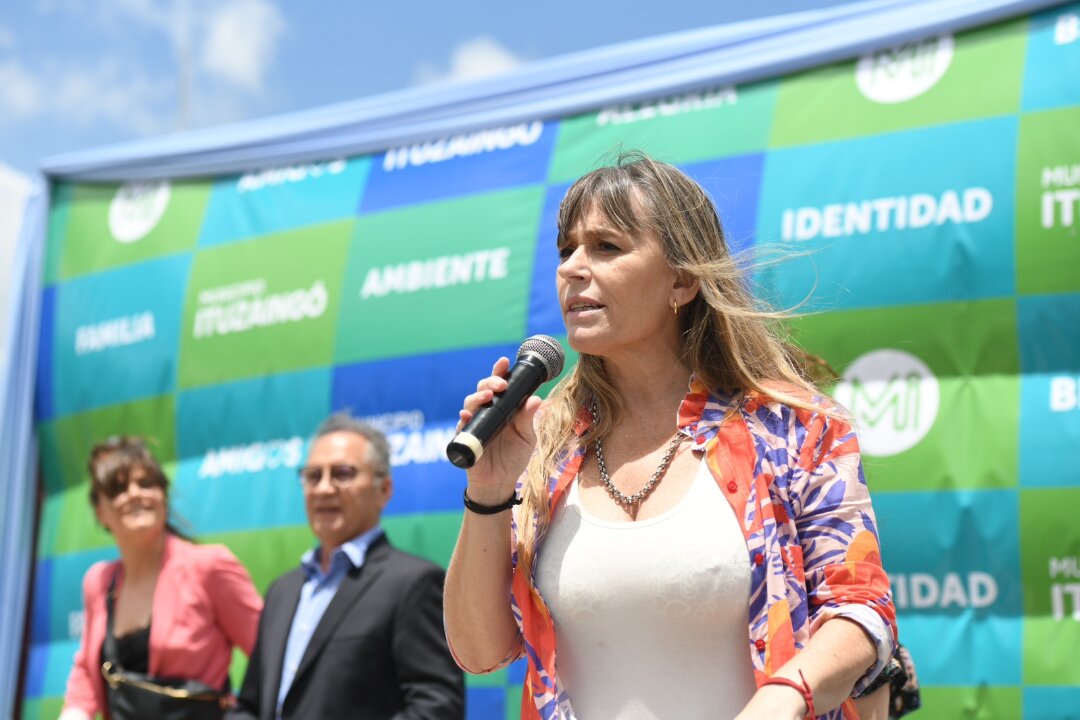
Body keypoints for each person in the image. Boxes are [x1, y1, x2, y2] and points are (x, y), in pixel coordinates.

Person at [444, 153, 901, 720]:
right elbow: (479, 652)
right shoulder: (549, 447)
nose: (572, 268)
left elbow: (861, 610)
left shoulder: (795, 427)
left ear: (682, 281)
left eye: (606, 247)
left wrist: (781, 699)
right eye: (567, 250)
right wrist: (487, 490)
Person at [228, 414, 464, 720]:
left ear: (384, 489)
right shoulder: (282, 591)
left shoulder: (413, 583)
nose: (324, 488)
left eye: (342, 473)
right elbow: (249, 705)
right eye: (313, 476)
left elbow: (437, 708)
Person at [60, 436, 263, 720]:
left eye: (146, 483)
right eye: (118, 488)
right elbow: (87, 671)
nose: (135, 494)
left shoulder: (208, 567)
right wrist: (75, 713)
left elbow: (270, 655)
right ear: (100, 512)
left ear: (163, 496)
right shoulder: (99, 581)